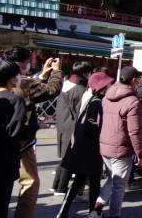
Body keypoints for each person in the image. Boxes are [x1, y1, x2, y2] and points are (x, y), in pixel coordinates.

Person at [5, 46, 63, 218]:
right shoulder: (24, 82)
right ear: (21, 63)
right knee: (30, 182)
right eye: (29, 61)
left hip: (5, 137)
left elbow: (31, 88)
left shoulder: (8, 79)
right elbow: (51, 90)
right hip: (22, 140)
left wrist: (43, 75)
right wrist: (56, 72)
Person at [90, 66, 142, 218]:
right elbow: (135, 131)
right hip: (121, 148)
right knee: (119, 186)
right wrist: (141, 154)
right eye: (138, 79)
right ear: (134, 80)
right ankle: (114, 215)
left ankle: (97, 208)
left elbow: (99, 120)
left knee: (112, 180)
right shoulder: (133, 101)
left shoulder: (107, 96)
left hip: (105, 145)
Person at [56, 71, 113, 218]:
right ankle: (92, 212)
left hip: (83, 147)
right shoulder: (96, 102)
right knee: (92, 182)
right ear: (101, 87)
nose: (109, 87)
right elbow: (90, 123)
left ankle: (66, 212)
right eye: (107, 85)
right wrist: (103, 131)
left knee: (83, 182)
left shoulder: (91, 98)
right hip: (90, 148)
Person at [53, 61, 92, 195]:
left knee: (65, 157)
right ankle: (61, 188)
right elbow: (80, 111)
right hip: (73, 126)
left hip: (63, 123)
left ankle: (56, 185)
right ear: (84, 73)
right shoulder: (80, 89)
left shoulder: (66, 84)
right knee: (70, 159)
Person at [0, 59, 26, 217]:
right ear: (11, 78)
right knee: (1, 203)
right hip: (4, 160)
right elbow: (17, 132)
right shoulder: (15, 100)